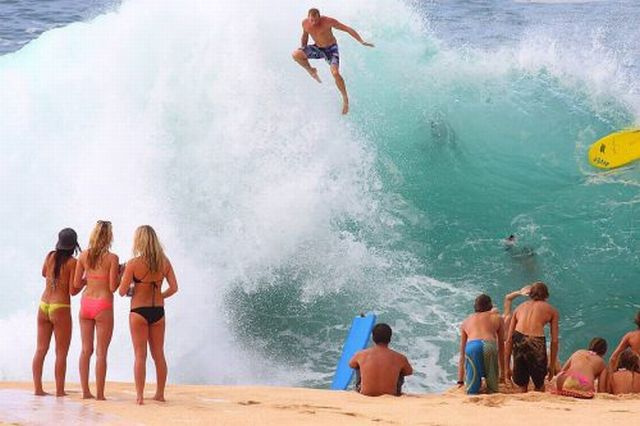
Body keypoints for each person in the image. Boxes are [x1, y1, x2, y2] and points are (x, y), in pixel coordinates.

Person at [118, 225, 178, 405]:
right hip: (158, 312)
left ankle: (140, 396)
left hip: (138, 312)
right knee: (158, 354)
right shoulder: (164, 261)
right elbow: (174, 288)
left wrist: (124, 277)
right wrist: (161, 295)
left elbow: (122, 292)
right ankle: (160, 394)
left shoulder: (133, 263)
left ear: (139, 241)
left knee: (140, 355)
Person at [292, 8, 374, 115]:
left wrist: (361, 41)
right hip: (318, 49)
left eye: (316, 20)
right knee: (296, 54)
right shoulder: (305, 23)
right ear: (308, 18)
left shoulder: (328, 21)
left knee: (335, 73)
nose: (314, 22)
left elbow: (347, 29)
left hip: (331, 50)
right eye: (311, 20)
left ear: (319, 17)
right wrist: (303, 50)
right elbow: (305, 36)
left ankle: (345, 99)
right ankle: (312, 70)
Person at [73, 220, 120, 400]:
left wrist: (90, 278)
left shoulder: (84, 256)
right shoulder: (112, 258)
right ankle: (100, 394)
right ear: (109, 237)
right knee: (101, 352)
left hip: (86, 304)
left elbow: (77, 283)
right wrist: (119, 273)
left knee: (86, 350)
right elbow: (113, 287)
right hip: (103, 305)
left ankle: (85, 391)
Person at [32, 228, 81, 396]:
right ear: (73, 244)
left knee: (40, 349)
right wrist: (85, 281)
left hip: (44, 304)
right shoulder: (73, 262)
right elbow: (73, 290)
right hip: (60, 307)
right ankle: (60, 391)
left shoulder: (50, 256)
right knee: (61, 352)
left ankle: (38, 389)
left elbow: (44, 272)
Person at [505, 281, 559, 392]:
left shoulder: (519, 308)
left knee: (521, 384)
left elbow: (509, 339)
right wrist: (552, 367)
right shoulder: (552, 310)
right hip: (536, 341)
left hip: (519, 339)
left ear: (530, 294)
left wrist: (506, 367)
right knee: (539, 385)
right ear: (546, 295)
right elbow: (554, 341)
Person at [348, 323, 413, 396]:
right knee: (401, 370)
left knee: (358, 366)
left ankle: (365, 388)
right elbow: (409, 372)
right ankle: (392, 389)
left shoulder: (361, 355)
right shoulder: (400, 358)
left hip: (366, 394)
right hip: (391, 395)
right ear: (390, 338)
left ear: (373, 338)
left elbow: (351, 364)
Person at [458, 294, 504, 394]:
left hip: (472, 347)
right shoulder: (497, 318)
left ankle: (473, 393)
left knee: (472, 391)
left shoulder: (466, 321)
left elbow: (462, 353)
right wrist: (503, 374)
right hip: (489, 345)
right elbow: (501, 347)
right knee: (493, 390)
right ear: (490, 305)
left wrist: (460, 380)